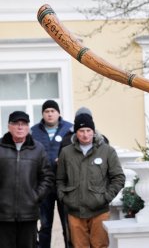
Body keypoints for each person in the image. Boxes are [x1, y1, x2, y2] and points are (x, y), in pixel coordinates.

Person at [57, 113, 125, 248]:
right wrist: (65, 198)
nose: (85, 134)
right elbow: (60, 179)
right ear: (76, 132)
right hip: (75, 211)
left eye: (88, 130)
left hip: (99, 211)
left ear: (93, 132)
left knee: (100, 245)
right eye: (81, 131)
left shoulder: (107, 151)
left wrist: (105, 197)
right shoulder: (66, 152)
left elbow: (118, 177)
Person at [0, 111, 54, 248]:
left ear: (28, 127)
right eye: (16, 124)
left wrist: (35, 196)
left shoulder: (38, 149)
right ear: (9, 126)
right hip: (3, 214)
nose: (19, 127)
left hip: (29, 213)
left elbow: (47, 177)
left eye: (23, 124)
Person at [31, 100, 73, 248]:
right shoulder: (33, 131)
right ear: (42, 114)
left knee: (67, 225)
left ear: (58, 113)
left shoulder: (70, 129)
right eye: (46, 111)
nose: (50, 114)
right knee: (45, 225)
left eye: (52, 111)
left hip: (65, 184)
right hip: (43, 184)